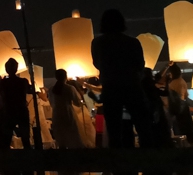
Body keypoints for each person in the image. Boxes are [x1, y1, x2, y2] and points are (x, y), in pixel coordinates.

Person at [91, 9, 153, 148]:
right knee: (143, 126)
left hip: (110, 88)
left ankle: (118, 161)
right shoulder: (132, 42)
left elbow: (97, 63)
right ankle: (149, 158)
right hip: (132, 85)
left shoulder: (97, 43)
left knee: (114, 129)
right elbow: (140, 65)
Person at [0, 58, 31, 149]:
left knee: (7, 137)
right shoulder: (23, 81)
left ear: (6, 69)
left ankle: (7, 159)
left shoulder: (3, 82)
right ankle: (29, 156)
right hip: (21, 109)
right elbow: (30, 90)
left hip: (9, 110)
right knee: (25, 136)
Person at [50, 69, 89, 149]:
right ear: (65, 76)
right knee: (71, 132)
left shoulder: (51, 89)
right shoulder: (69, 88)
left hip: (56, 113)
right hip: (67, 112)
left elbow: (51, 103)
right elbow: (77, 102)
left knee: (60, 133)